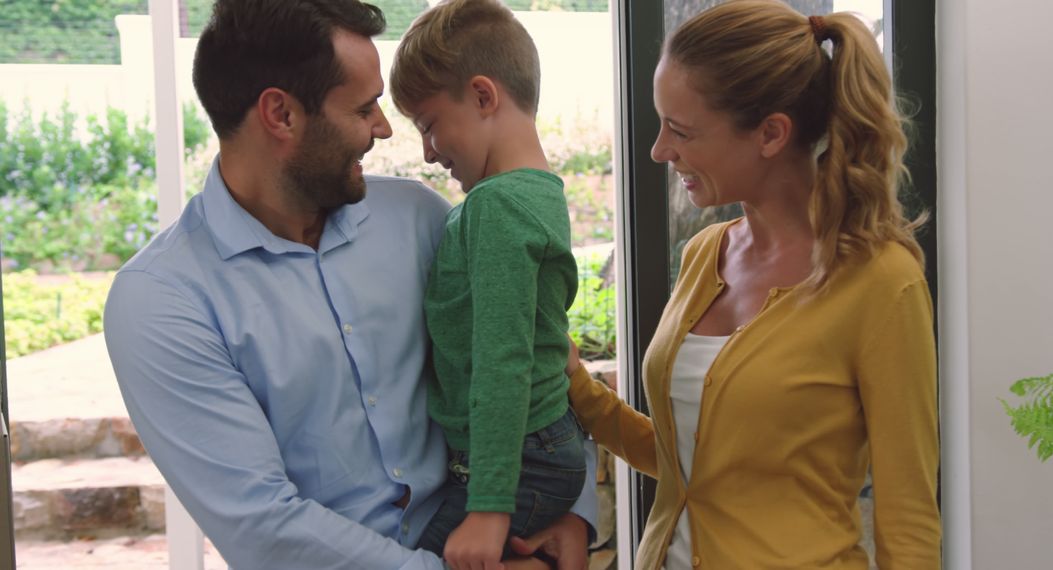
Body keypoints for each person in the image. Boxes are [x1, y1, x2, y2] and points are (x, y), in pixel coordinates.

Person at [102, 1, 595, 569]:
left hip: (492, 537)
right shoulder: (161, 301)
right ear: (280, 114)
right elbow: (263, 525)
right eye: (364, 109)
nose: (385, 129)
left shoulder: (423, 219)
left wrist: (573, 515)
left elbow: (536, 353)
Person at [564, 1, 941, 568]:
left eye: (681, 130)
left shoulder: (881, 281)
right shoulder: (703, 255)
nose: (660, 150)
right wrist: (579, 387)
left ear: (770, 133)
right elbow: (691, 463)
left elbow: (908, 514)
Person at [387, 2, 587, 569]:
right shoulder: (539, 190)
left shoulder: (496, 207)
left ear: (482, 96)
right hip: (533, 448)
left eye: (428, 125)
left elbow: (503, 359)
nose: (427, 151)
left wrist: (491, 506)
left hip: (519, 458)